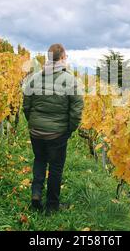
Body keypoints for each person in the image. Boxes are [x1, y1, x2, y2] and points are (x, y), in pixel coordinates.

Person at [22, 44, 84, 214]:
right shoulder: (70, 80)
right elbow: (77, 110)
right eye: (66, 56)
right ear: (62, 58)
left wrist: (33, 122)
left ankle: (36, 194)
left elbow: (26, 106)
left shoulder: (34, 78)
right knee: (56, 168)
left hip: (36, 131)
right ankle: (51, 206)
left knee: (40, 160)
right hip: (57, 134)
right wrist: (69, 130)